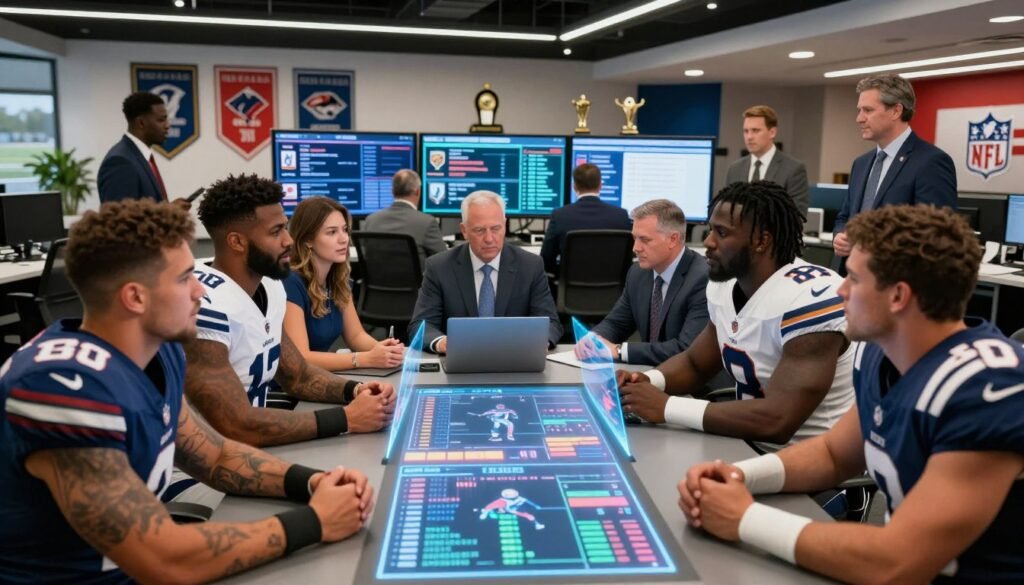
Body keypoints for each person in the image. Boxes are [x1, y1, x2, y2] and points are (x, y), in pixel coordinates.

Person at [0, 200, 374, 584]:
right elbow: (161, 557)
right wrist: (315, 521)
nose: (199, 289)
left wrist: (314, 482)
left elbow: (216, 457)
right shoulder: (62, 388)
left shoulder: (158, 353)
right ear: (135, 297)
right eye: (183, 279)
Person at [679, 205, 1023, 584]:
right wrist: (738, 475)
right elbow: (833, 454)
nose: (840, 289)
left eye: (854, 279)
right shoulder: (883, 351)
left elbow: (897, 561)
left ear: (898, 297)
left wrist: (744, 518)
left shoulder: (987, 387)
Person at [616, 181, 855, 452]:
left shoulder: (813, 297)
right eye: (709, 230)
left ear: (761, 241)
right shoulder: (724, 284)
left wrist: (667, 406)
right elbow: (696, 364)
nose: (708, 242)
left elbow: (778, 420)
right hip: (744, 445)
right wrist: (650, 381)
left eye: (721, 232)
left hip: (814, 467)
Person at [183, 174, 394, 451]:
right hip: (203, 466)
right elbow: (237, 424)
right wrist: (347, 418)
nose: (288, 240)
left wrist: (354, 390)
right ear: (236, 242)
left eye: (285, 228)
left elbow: (298, 375)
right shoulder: (202, 304)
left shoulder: (270, 285)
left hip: (250, 449)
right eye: (276, 232)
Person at [409, 190, 562, 354]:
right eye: (480, 230)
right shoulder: (439, 267)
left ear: (504, 224)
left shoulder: (530, 265)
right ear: (464, 230)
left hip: (515, 359)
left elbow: (551, 323)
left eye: (496, 228)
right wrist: (441, 343)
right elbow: (421, 325)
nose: (489, 239)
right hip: (460, 361)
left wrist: (541, 341)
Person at [833, 74, 957, 267]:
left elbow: (936, 235)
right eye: (859, 110)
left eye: (868, 110)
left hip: (894, 279)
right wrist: (840, 237)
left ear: (896, 111)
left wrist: (869, 245)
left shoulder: (931, 162)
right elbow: (845, 216)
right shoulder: (861, 163)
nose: (859, 118)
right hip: (851, 278)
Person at [575, 199, 708, 366]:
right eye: (634, 238)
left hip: (690, 386)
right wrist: (594, 340)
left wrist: (619, 350)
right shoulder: (638, 273)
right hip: (648, 375)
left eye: (645, 240)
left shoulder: (702, 279)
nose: (635, 248)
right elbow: (616, 323)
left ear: (673, 239)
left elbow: (687, 349)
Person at [283, 196, 404, 371]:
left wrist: (383, 350)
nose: (344, 239)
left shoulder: (338, 279)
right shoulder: (290, 282)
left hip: (317, 377)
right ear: (308, 240)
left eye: (345, 230)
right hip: (289, 388)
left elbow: (356, 336)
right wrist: (365, 359)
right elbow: (301, 357)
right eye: (332, 232)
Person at [98, 91, 188, 209]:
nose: (167, 125)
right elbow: (120, 222)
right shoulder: (120, 162)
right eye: (161, 120)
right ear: (141, 123)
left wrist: (169, 211)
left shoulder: (139, 157)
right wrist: (168, 212)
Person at [540, 163, 631, 276]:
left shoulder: (560, 215)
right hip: (614, 289)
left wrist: (561, 274)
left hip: (570, 289)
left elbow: (546, 258)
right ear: (600, 185)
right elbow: (628, 259)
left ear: (574, 186)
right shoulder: (621, 216)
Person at [724, 105, 809, 217]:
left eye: (755, 130)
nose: (749, 137)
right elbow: (727, 211)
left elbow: (797, 215)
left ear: (772, 132)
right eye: (746, 131)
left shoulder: (793, 169)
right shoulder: (734, 169)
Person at [362, 169, 446, 267]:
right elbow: (444, 259)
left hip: (376, 282)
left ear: (392, 191)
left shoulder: (371, 220)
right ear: (417, 191)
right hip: (416, 282)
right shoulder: (427, 222)